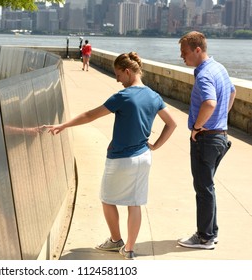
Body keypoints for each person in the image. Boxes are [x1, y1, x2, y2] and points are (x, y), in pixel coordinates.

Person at [45, 52, 177, 259]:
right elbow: (172, 123)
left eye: (118, 75)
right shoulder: (154, 96)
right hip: (143, 157)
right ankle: (129, 249)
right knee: (135, 203)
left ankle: (116, 241)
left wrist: (63, 125)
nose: (116, 79)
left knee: (107, 199)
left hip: (120, 159)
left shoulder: (123, 97)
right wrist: (155, 146)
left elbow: (90, 115)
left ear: (127, 71)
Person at [177, 31, 236, 250]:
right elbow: (232, 91)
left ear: (197, 50)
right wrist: (222, 118)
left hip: (206, 139)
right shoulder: (218, 67)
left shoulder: (203, 75)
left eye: (184, 52)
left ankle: (205, 237)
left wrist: (197, 127)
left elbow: (209, 103)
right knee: (208, 187)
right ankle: (211, 232)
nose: (182, 57)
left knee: (203, 188)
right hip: (220, 136)